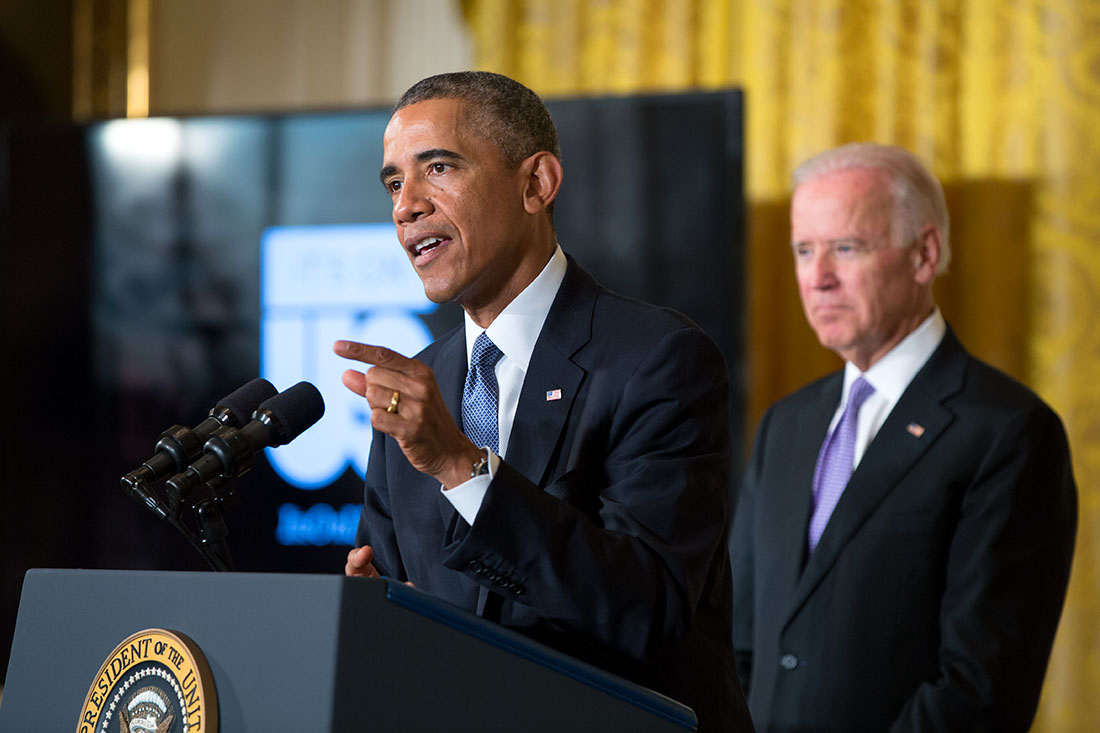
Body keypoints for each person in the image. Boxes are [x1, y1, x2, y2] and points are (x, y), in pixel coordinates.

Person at [335, 71, 753, 732]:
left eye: (437, 167)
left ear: (537, 183)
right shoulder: (419, 382)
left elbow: (646, 609)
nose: (405, 205)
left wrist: (461, 467)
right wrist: (375, 610)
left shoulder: (659, 358)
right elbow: (411, 608)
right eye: (393, 182)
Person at [730, 142, 1077, 732]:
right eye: (804, 250)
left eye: (846, 247)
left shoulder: (1008, 432)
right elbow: (736, 642)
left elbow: (980, 688)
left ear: (924, 255)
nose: (818, 278)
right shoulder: (785, 426)